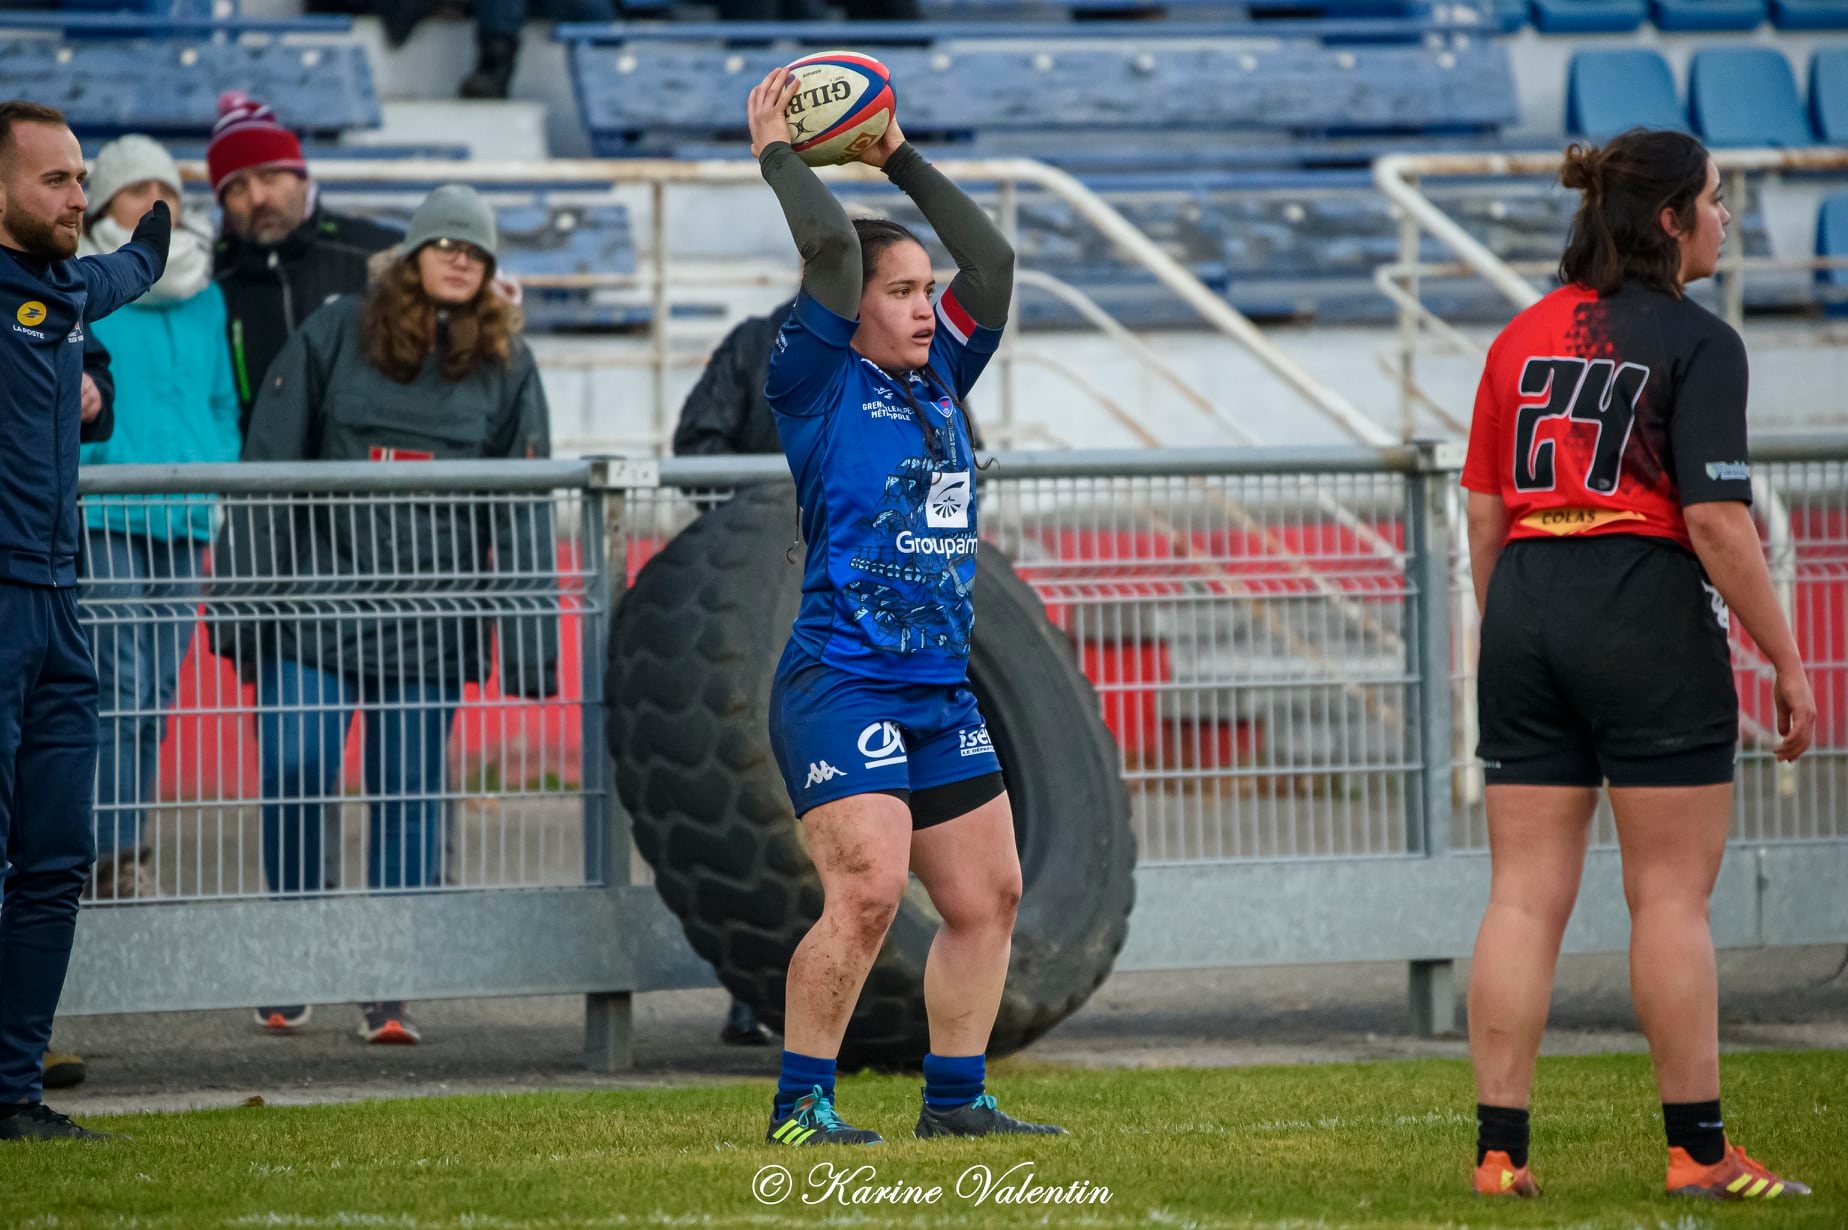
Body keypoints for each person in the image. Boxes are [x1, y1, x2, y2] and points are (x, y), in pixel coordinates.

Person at [1460, 129, 1815, 1201]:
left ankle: (1499, 1156)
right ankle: (1698, 1153)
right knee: (1668, 897)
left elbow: (1484, 514)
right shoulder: (1702, 342)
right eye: (1714, 200)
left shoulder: (1519, 336)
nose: (1725, 219)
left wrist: (1515, 631)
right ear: (1668, 221)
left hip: (1525, 600)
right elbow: (1715, 522)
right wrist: (1788, 661)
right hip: (1641, 606)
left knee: (1523, 896)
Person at [747, 69, 1057, 1146]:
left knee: (989, 897)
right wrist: (779, 156)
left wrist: (898, 156)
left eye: (929, 289)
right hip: (841, 683)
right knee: (871, 893)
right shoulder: (816, 382)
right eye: (903, 291)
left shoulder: (941, 375)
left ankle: (956, 1101)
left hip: (937, 689)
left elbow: (996, 264)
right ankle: (801, 1108)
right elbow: (833, 250)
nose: (928, 308)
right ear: (851, 310)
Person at [212, 184, 558, 1047]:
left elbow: (525, 503)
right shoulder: (335, 329)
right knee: (295, 764)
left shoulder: (508, 362)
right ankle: (296, 954)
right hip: (316, 611)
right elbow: (267, 467)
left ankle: (388, 980)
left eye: (476, 252)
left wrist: (530, 648)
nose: (460, 259)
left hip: (433, 621)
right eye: (445, 245)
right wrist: (243, 612)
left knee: (408, 795)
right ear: (410, 257)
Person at [0, 99, 169, 1142]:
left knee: (58, 856)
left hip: (61, 602)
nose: (77, 197)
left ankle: (14, 1093)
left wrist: (153, 236)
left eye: (81, 178)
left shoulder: (66, 286)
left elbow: (128, 272)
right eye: (56, 180)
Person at [77, 135, 243, 901]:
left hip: (186, 516)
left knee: (157, 692)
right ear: (104, 204)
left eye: (167, 191)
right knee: (117, 683)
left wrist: (215, 471)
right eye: (137, 191)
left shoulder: (206, 291)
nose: (156, 205)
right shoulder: (84, 283)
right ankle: (101, 849)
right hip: (108, 510)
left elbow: (220, 400)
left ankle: (128, 846)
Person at [208, 91, 401, 434]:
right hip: (256, 462)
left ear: (302, 178)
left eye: (269, 177)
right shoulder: (209, 276)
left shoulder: (374, 253)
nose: (257, 198)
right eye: (237, 188)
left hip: (358, 459)